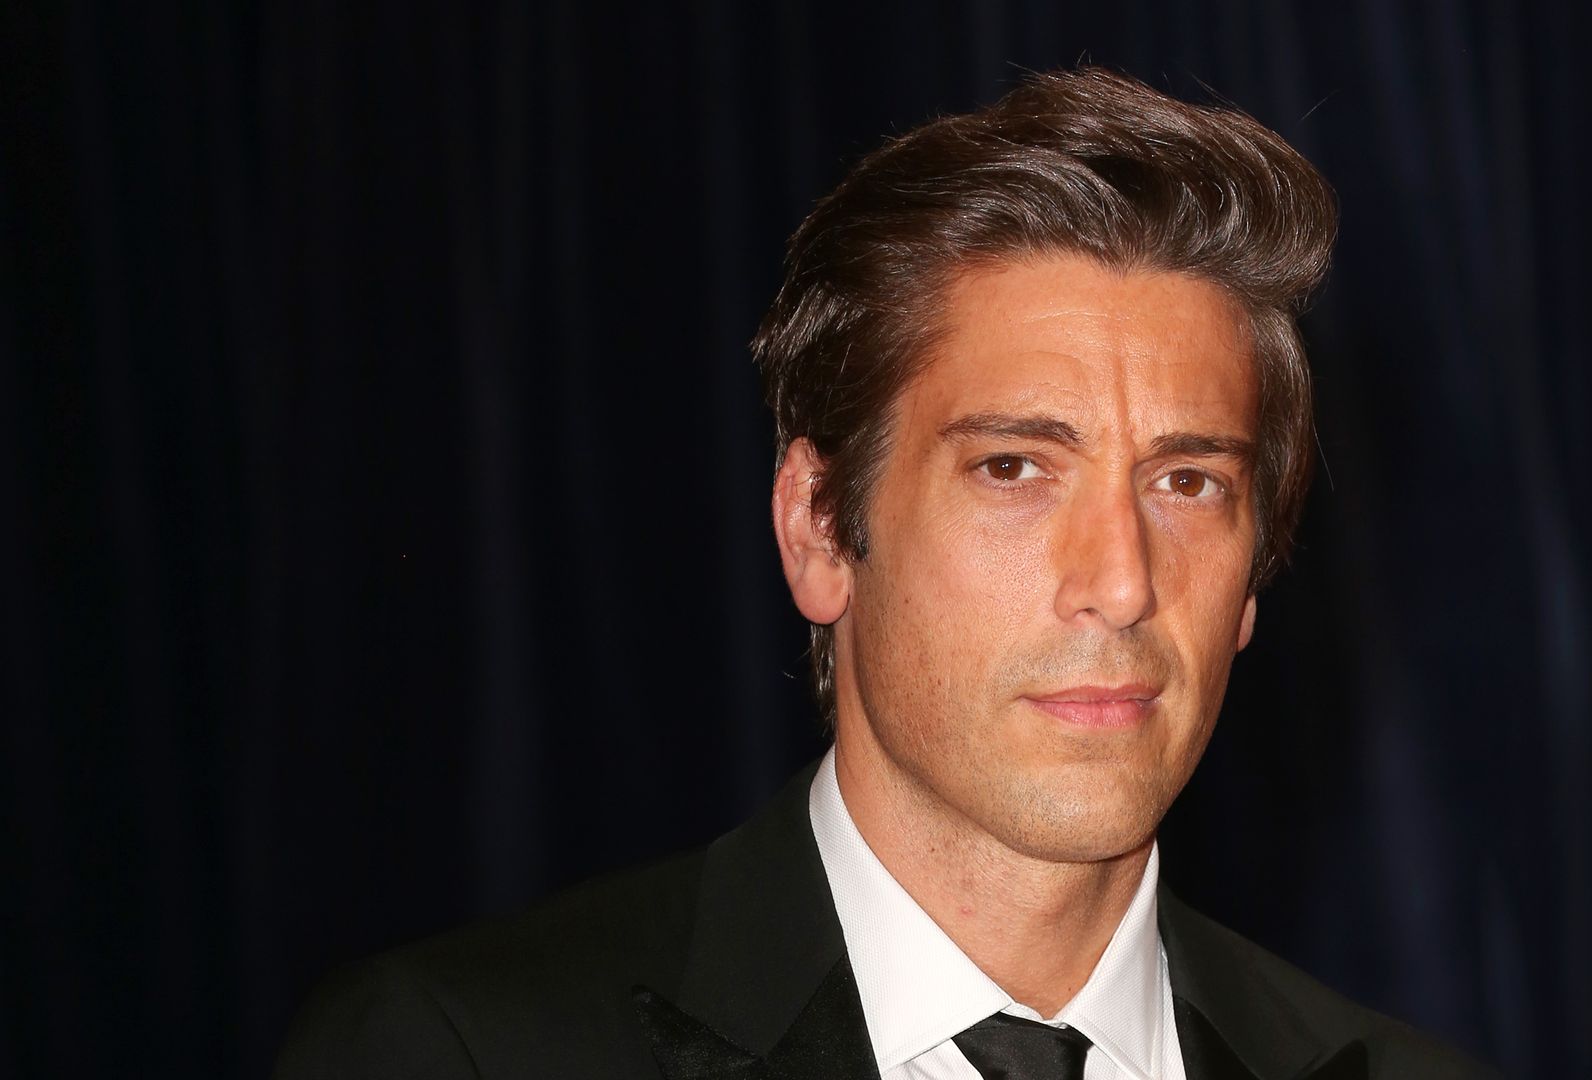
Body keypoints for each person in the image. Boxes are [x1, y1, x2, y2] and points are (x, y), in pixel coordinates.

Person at [274, 67, 1495, 1080]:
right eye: (1015, 468)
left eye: (1188, 483)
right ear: (816, 528)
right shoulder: (465, 1055)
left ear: (1253, 585)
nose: (1120, 583)